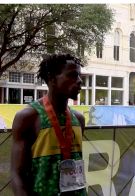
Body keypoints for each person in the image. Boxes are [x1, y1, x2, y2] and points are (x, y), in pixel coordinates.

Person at [11, 54, 86, 195]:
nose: (79, 81)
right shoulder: (28, 117)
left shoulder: (79, 119)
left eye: (79, 76)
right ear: (52, 79)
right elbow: (18, 175)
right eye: (73, 75)